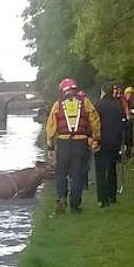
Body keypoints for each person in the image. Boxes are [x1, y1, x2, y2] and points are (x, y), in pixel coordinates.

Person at [46, 78, 101, 214]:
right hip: (80, 142)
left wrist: (50, 147)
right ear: (75, 89)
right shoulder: (85, 102)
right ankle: (75, 206)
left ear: (62, 90)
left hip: (63, 142)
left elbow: (51, 127)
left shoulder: (58, 104)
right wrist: (96, 139)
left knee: (61, 173)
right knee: (77, 174)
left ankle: (62, 198)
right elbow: (95, 120)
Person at [94, 83, 125, 207]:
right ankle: (112, 196)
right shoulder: (118, 105)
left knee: (100, 170)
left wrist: (95, 140)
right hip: (115, 141)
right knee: (112, 169)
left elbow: (95, 123)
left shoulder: (98, 105)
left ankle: (102, 199)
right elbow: (123, 123)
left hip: (102, 141)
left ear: (102, 91)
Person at [122, 86, 134, 158]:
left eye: (132, 94)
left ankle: (128, 153)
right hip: (124, 122)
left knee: (129, 138)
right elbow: (126, 110)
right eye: (129, 94)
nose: (130, 95)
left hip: (129, 122)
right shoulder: (123, 101)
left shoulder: (132, 102)